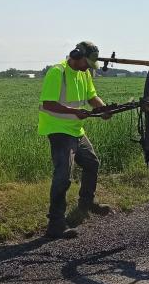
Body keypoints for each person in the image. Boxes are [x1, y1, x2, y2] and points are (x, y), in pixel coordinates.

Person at [38, 41, 112, 239]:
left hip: (75, 129)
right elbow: (48, 103)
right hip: (58, 130)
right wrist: (74, 112)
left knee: (91, 163)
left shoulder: (84, 73)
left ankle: (86, 204)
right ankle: (55, 223)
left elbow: (92, 96)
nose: (88, 67)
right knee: (63, 175)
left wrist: (103, 108)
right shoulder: (57, 72)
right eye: (86, 62)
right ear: (76, 55)